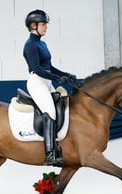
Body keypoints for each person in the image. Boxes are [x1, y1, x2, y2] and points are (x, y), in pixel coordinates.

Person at [23, 9, 76, 167]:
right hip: (37, 82)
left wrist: (65, 74)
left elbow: (49, 67)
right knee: (50, 112)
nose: (46, 27)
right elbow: (38, 68)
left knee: (62, 107)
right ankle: (50, 153)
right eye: (43, 24)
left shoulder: (42, 43)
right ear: (33, 26)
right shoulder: (30, 45)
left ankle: (59, 145)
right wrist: (58, 78)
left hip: (46, 82)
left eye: (46, 24)